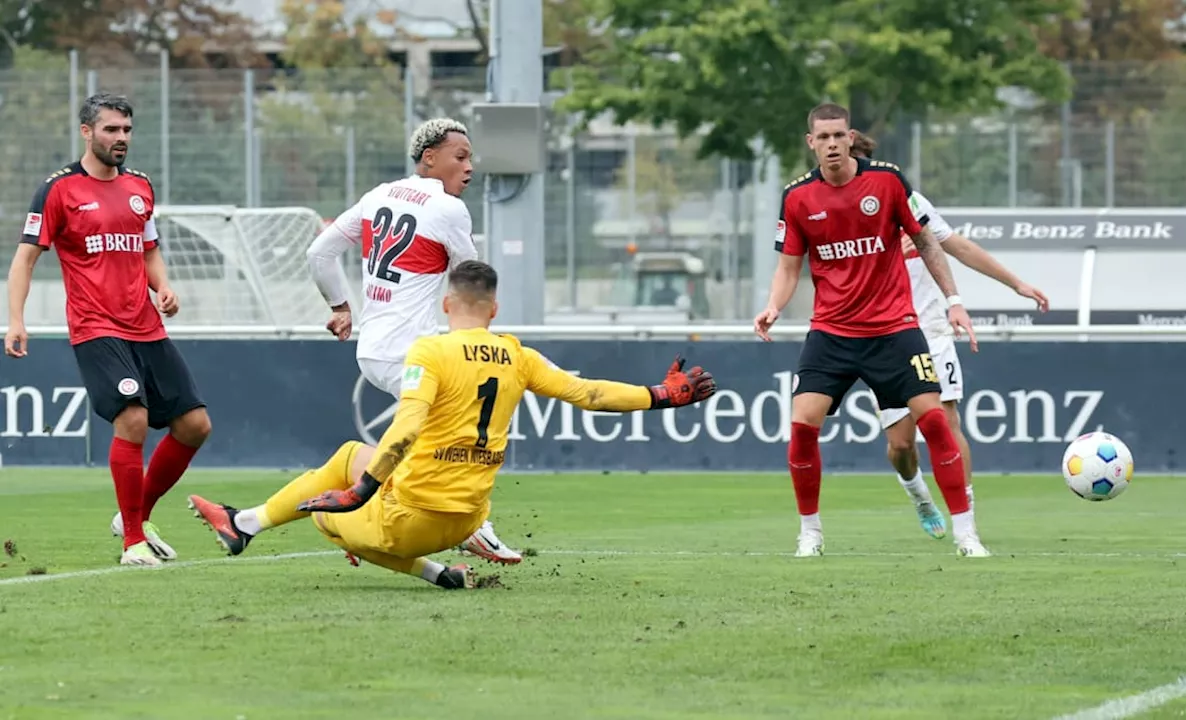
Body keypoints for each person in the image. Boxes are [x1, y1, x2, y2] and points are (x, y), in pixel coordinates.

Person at [187, 260, 717, 589]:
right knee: (351, 455)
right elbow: (589, 394)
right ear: (494, 309)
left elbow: (409, 422)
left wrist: (360, 494)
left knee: (327, 515)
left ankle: (253, 526)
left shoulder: (431, 350)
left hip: (411, 519)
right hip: (465, 520)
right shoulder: (519, 355)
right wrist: (660, 396)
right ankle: (438, 572)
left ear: (446, 304)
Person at [754, 102, 986, 559]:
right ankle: (810, 534)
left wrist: (954, 301)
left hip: (895, 329)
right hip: (833, 333)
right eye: (823, 138)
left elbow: (928, 242)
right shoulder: (798, 197)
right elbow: (788, 267)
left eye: (839, 135)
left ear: (851, 136)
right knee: (802, 427)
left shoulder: (886, 180)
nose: (832, 144)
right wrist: (772, 306)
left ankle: (967, 534)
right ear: (811, 143)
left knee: (936, 421)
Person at [303, 117, 522, 566]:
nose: (469, 167)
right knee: (454, 430)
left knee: (429, 434)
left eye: (471, 158)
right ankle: (472, 527)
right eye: (460, 157)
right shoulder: (447, 208)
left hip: (372, 349)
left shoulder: (377, 195)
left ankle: (362, 516)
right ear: (429, 158)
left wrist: (342, 308)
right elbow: (470, 281)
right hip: (411, 352)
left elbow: (318, 254)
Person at [5, 93, 211, 567]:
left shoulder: (140, 186)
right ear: (87, 132)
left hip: (147, 324)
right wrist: (17, 319)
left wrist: (164, 286)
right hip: (96, 327)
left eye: (127, 130)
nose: (121, 138)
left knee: (195, 425)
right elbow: (26, 257)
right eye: (111, 130)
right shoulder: (59, 189)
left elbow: (149, 248)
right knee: (133, 419)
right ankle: (133, 542)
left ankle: (134, 515)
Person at [849, 132, 1050, 541]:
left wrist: (1016, 284)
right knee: (901, 445)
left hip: (931, 330)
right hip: (882, 334)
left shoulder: (909, 201)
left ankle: (967, 519)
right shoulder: (837, 214)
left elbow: (958, 246)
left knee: (947, 419)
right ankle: (920, 496)